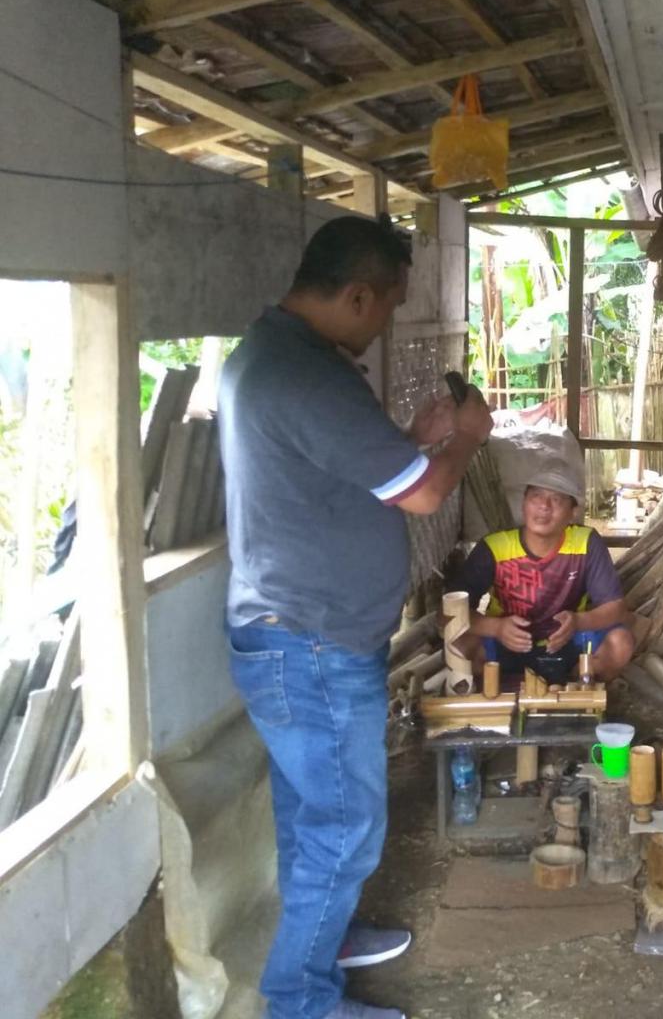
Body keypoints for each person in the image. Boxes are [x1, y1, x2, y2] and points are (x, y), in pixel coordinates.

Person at [219, 215, 493, 1019]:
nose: (385, 324)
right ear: (358, 295)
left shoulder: (275, 356)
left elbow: (345, 471)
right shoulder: (307, 376)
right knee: (343, 829)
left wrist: (413, 438)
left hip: (298, 631)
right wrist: (465, 439)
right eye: (389, 305)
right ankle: (300, 1002)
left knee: (313, 814)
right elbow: (425, 493)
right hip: (311, 642)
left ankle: (327, 936)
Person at [451, 460, 635, 683]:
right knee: (458, 645)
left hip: (568, 643)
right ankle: (493, 687)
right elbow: (448, 613)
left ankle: (575, 686)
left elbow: (616, 608)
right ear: (524, 504)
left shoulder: (586, 543)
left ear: (573, 512)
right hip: (505, 643)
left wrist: (578, 622)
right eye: (536, 496)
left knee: (620, 643)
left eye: (556, 499)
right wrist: (496, 628)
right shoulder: (494, 547)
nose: (544, 506)